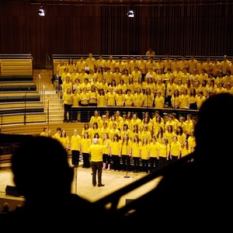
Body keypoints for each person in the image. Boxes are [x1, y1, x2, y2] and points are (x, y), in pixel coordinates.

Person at [118, 93, 233, 231]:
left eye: (198, 126)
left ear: (200, 132)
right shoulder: (179, 174)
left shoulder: (180, 177)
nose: (194, 132)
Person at [2, 136, 111, 230]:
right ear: (70, 175)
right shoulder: (95, 216)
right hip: (98, 162)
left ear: (17, 183)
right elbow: (105, 147)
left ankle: (94, 182)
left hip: (93, 161)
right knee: (99, 174)